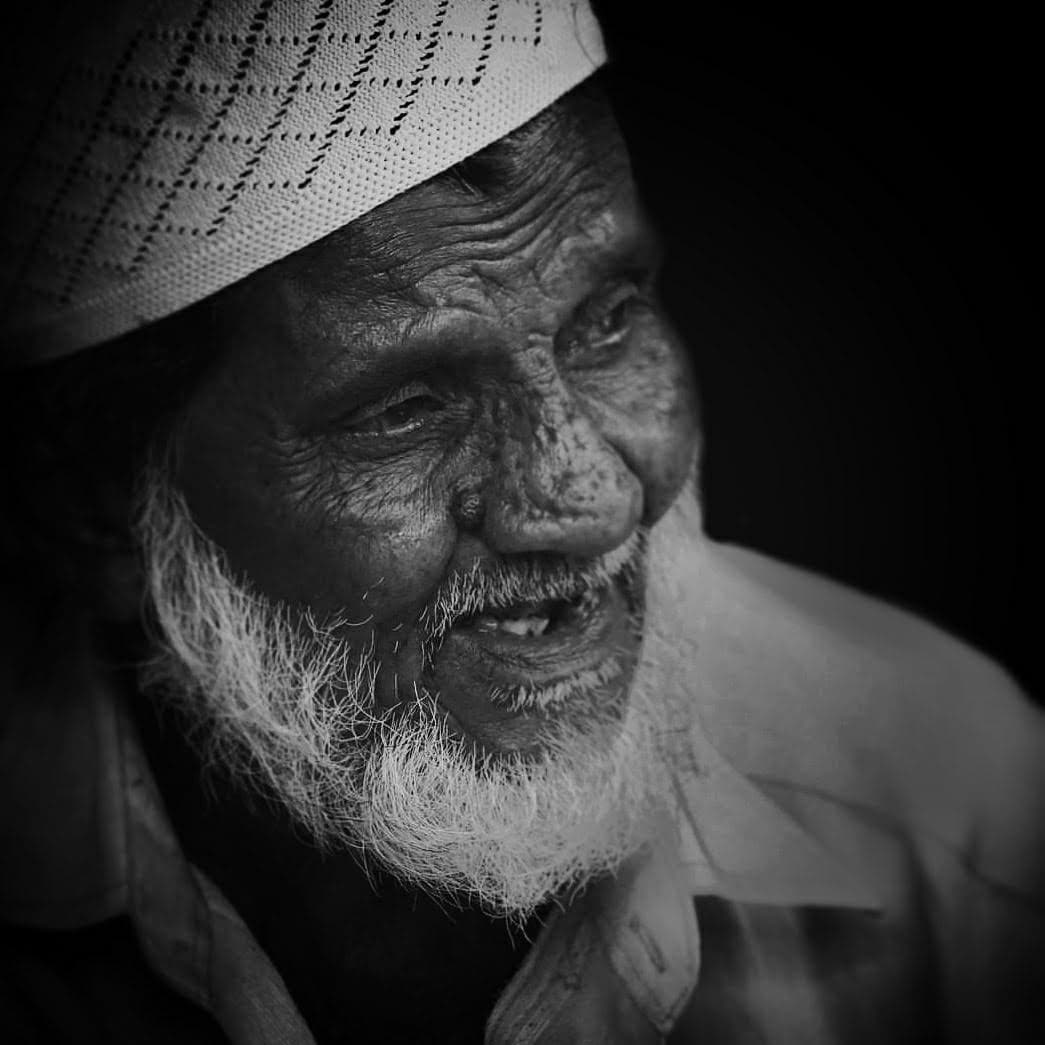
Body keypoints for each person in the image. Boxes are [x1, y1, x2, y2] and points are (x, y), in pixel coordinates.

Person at [1, 2, 1041, 1042]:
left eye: (607, 321)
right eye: (407, 408)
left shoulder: (949, 806)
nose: (592, 499)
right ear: (102, 513)